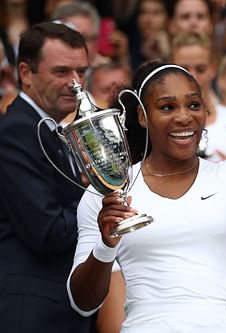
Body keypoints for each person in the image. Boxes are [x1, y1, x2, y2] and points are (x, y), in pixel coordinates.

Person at [67, 24, 226, 332]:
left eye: (193, 104)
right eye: (167, 107)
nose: (183, 116)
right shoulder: (108, 193)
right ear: (141, 115)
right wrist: (106, 244)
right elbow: (83, 302)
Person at [0, 21, 94, 332]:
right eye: (62, 72)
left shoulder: (51, 130)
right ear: (25, 73)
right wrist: (102, 203)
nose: (76, 83)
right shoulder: (16, 131)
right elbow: (48, 231)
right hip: (32, 314)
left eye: (82, 71)